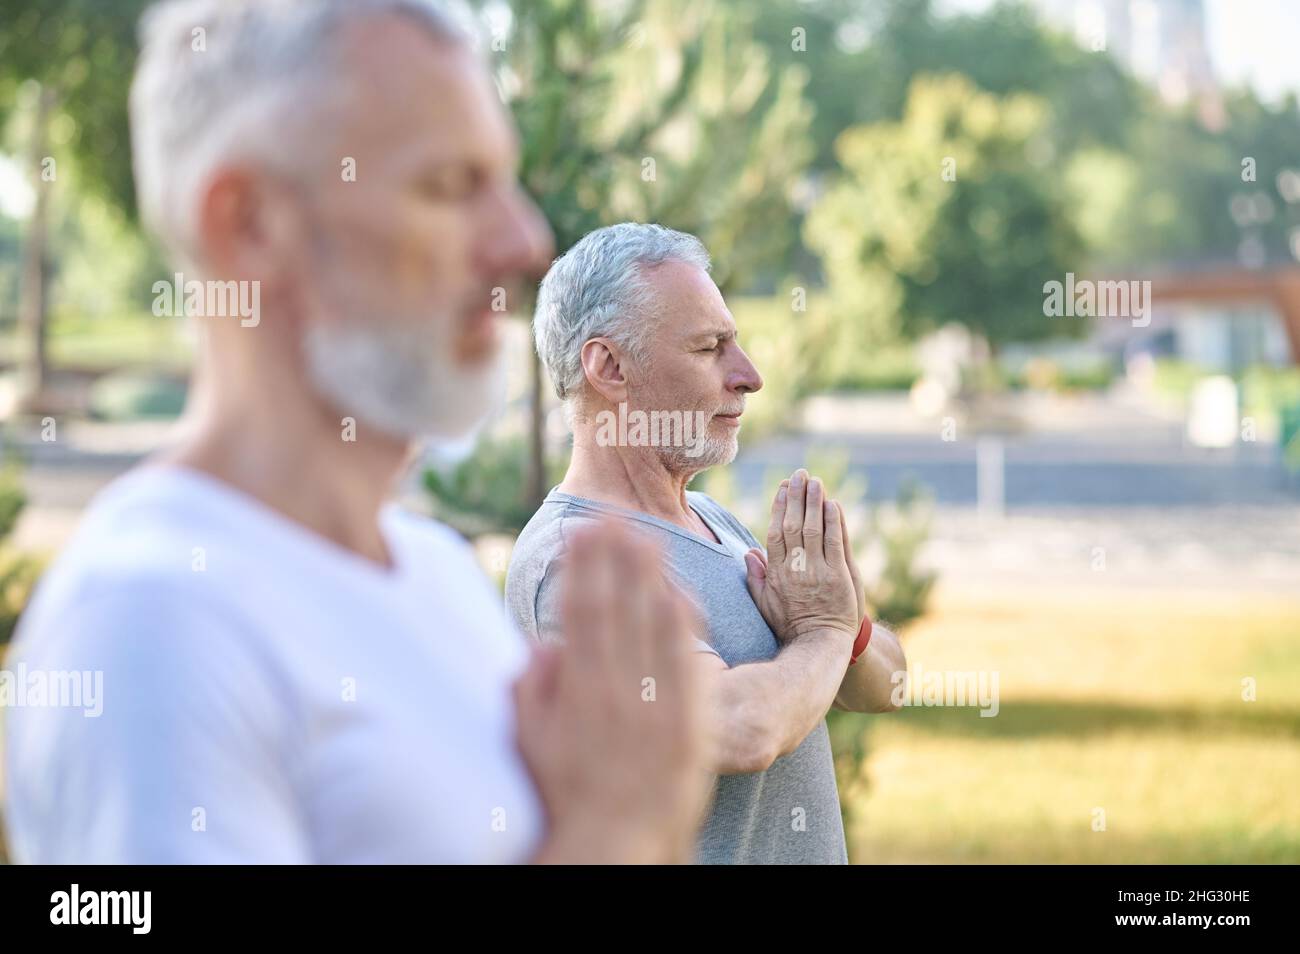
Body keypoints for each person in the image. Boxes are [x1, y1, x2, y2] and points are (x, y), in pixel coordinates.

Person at [2, 0, 710, 864]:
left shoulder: (435, 572)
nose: (524, 240)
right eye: (452, 185)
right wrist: (621, 833)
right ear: (250, 224)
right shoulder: (151, 622)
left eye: (506, 181)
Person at [508, 223, 908, 864]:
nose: (749, 377)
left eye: (736, 344)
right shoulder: (574, 558)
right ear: (608, 367)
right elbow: (739, 730)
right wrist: (824, 636)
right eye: (709, 348)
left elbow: (887, 688)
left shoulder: (716, 522)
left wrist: (850, 632)